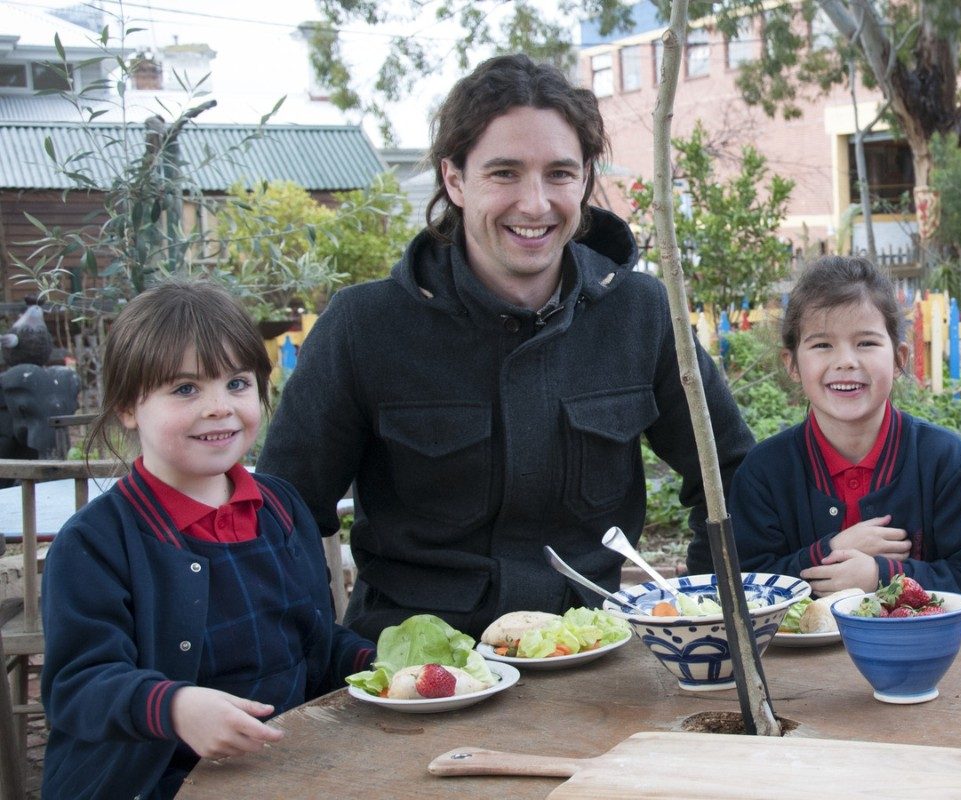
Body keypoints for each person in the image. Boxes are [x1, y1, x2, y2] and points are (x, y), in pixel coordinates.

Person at [258, 54, 752, 640]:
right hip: (414, 676)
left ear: (587, 179)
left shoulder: (642, 314)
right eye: (504, 173)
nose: (536, 203)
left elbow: (734, 479)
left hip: (593, 655)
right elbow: (279, 520)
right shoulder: (364, 326)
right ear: (455, 179)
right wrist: (323, 658)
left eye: (560, 174)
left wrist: (698, 616)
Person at [40, 281, 375, 799]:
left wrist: (383, 662)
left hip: (284, 769)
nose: (219, 407)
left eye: (237, 383)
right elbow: (78, 686)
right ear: (129, 407)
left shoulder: (283, 508)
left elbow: (313, 644)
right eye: (185, 389)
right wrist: (173, 706)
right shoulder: (96, 542)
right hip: (150, 781)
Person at [728, 256, 961, 609]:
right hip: (796, 665)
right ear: (792, 364)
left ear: (899, 358)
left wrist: (883, 575)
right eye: (822, 345)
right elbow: (744, 587)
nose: (846, 360)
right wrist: (831, 550)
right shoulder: (765, 472)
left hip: (919, 659)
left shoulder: (945, 461)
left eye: (866, 343)